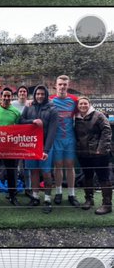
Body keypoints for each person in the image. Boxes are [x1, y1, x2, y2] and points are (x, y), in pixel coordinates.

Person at [74, 95, 112, 214]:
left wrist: (101, 148)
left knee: (103, 178)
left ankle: (107, 204)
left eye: (85, 103)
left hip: (99, 153)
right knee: (87, 176)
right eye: (80, 104)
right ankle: (89, 200)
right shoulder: (76, 118)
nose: (83, 105)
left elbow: (107, 131)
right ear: (78, 106)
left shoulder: (98, 115)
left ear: (89, 104)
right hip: (83, 153)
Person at [50, 74, 81, 203]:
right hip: (56, 139)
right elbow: (36, 105)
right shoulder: (49, 100)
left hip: (69, 138)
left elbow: (85, 110)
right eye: (60, 84)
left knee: (70, 166)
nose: (62, 87)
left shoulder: (74, 100)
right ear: (56, 85)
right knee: (58, 166)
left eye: (65, 84)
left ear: (68, 85)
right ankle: (58, 193)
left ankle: (71, 194)